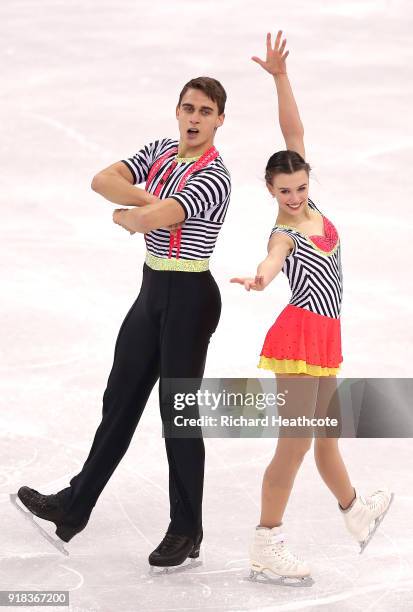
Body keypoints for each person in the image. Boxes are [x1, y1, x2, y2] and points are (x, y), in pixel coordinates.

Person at [16, 76, 231, 569]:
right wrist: (144, 206)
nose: (194, 118)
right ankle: (73, 506)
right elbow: (101, 180)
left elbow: (145, 220)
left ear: (220, 119)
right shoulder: (159, 150)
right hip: (152, 291)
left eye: (205, 111)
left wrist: (132, 212)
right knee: (120, 400)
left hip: (191, 297)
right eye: (188, 108)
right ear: (177, 112)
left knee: (177, 414)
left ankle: (186, 529)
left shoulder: (215, 174)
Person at [231, 31, 393, 584]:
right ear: (272, 193)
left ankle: (354, 512)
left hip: (326, 337)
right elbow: (274, 258)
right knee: (295, 444)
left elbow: (292, 132)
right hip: (298, 338)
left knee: (325, 436)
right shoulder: (284, 229)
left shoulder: (313, 206)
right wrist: (261, 275)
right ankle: (265, 542)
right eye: (286, 192)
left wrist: (279, 76)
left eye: (301, 187)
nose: (296, 197)